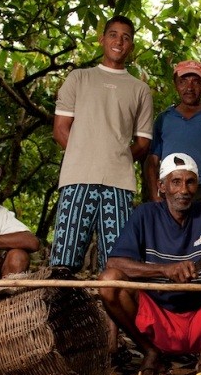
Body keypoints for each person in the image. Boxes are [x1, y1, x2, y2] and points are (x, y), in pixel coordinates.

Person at [99, 153, 201, 375]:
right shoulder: (144, 215)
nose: (184, 190)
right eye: (176, 182)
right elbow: (115, 263)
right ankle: (151, 353)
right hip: (156, 318)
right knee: (108, 282)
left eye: (190, 182)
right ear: (161, 186)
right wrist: (164, 269)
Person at [50, 15, 153, 272]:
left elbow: (142, 143)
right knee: (64, 262)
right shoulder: (79, 78)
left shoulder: (140, 89)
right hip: (77, 180)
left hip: (119, 185)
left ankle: (110, 313)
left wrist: (114, 157)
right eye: (113, 34)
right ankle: (59, 311)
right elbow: (60, 130)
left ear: (132, 46)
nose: (119, 41)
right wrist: (86, 155)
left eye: (126, 37)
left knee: (116, 264)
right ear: (102, 39)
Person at [144, 60, 201, 209]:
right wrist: (155, 196)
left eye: (196, 82)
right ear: (175, 84)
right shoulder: (164, 118)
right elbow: (152, 161)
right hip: (171, 193)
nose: (189, 87)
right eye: (183, 81)